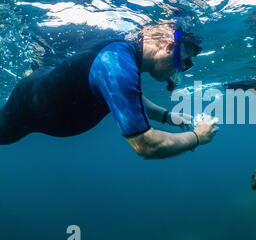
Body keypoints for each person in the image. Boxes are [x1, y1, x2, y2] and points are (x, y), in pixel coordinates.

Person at [0, 24, 219, 158]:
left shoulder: (125, 61)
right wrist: (198, 137)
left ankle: (35, 67)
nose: (180, 69)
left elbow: (128, 96)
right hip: (24, 108)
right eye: (183, 62)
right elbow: (147, 145)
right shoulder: (116, 63)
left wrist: (168, 117)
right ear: (168, 46)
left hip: (43, 92)